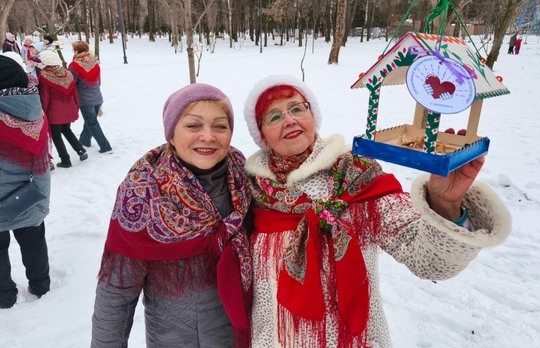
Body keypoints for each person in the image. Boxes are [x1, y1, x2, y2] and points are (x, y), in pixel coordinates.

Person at [242, 75, 511, 348]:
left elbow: (430, 261)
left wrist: (445, 203)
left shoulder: (356, 179)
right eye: (274, 117)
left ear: (313, 116)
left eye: (297, 108)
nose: (289, 120)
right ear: (261, 134)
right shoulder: (250, 194)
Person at [91, 83, 252, 348]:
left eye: (220, 126)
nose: (208, 136)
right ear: (172, 135)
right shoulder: (143, 193)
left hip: (245, 334)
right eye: (193, 126)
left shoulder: (244, 178)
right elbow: (116, 292)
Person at [0, 52, 51, 309]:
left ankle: (4, 296)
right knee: (34, 241)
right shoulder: (35, 110)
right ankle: (41, 285)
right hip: (30, 196)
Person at [38, 50, 88, 168]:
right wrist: (76, 106)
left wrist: (43, 112)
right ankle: (81, 150)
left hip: (54, 111)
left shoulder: (44, 75)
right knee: (67, 130)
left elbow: (45, 97)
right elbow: (75, 92)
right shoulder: (67, 73)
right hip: (68, 108)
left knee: (56, 136)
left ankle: (65, 160)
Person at [68, 41, 112, 154]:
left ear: (77, 51)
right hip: (97, 97)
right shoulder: (94, 62)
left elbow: (71, 83)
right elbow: (99, 81)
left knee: (92, 123)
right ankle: (84, 141)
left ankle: (105, 147)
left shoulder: (74, 65)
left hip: (85, 100)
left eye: (74, 50)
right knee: (90, 121)